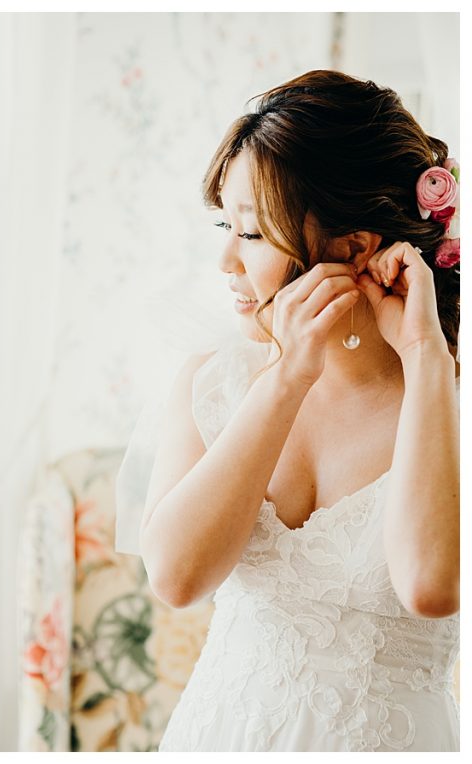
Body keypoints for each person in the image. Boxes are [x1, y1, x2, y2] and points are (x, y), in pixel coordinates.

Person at [116, 70, 459, 751]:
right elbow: (177, 578)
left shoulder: (449, 397)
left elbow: (428, 586)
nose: (225, 263)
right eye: (226, 225)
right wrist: (284, 379)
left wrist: (427, 356)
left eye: (250, 233)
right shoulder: (214, 384)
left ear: (356, 248)